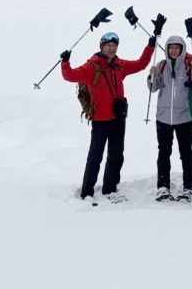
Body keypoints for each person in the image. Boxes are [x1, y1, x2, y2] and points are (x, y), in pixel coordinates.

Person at [61, 31, 155, 202]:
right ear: (101, 46)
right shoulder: (91, 67)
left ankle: (110, 189)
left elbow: (141, 64)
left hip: (118, 117)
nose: (112, 49)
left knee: (116, 155)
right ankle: (87, 192)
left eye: (114, 45)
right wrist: (65, 62)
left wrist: (150, 46)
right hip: (100, 119)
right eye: (108, 45)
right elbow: (70, 76)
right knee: (95, 156)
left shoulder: (119, 65)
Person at [148, 35, 192, 201]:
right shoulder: (162, 65)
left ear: (182, 49)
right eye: (170, 47)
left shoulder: (188, 65)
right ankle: (163, 187)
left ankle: (189, 188)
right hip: (163, 117)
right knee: (164, 153)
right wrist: (152, 76)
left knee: (186, 153)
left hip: (184, 116)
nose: (173, 50)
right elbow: (153, 88)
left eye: (176, 47)